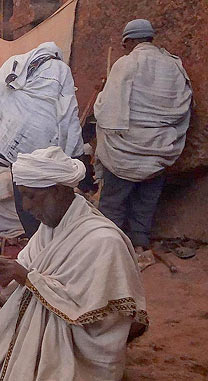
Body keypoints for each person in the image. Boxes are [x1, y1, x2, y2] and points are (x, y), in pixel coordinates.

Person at [0, 146, 148, 380]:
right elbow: (23, 288)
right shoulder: (48, 231)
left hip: (79, 356)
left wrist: (26, 277)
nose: (25, 206)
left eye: (31, 196)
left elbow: (95, 316)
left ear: (57, 191)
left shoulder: (103, 241)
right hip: (31, 338)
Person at [94, 19, 192, 256]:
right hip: (160, 148)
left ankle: (110, 251)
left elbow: (107, 112)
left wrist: (100, 97)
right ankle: (139, 244)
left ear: (130, 41)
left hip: (125, 152)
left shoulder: (126, 64)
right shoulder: (174, 66)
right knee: (145, 202)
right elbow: (184, 106)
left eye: (124, 44)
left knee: (113, 203)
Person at [0, 41, 83, 237]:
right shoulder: (61, 69)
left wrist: (1, 137)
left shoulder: (17, 64)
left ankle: (34, 236)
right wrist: (75, 152)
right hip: (46, 142)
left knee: (24, 190)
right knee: (45, 193)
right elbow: (68, 112)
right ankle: (47, 239)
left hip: (18, 142)